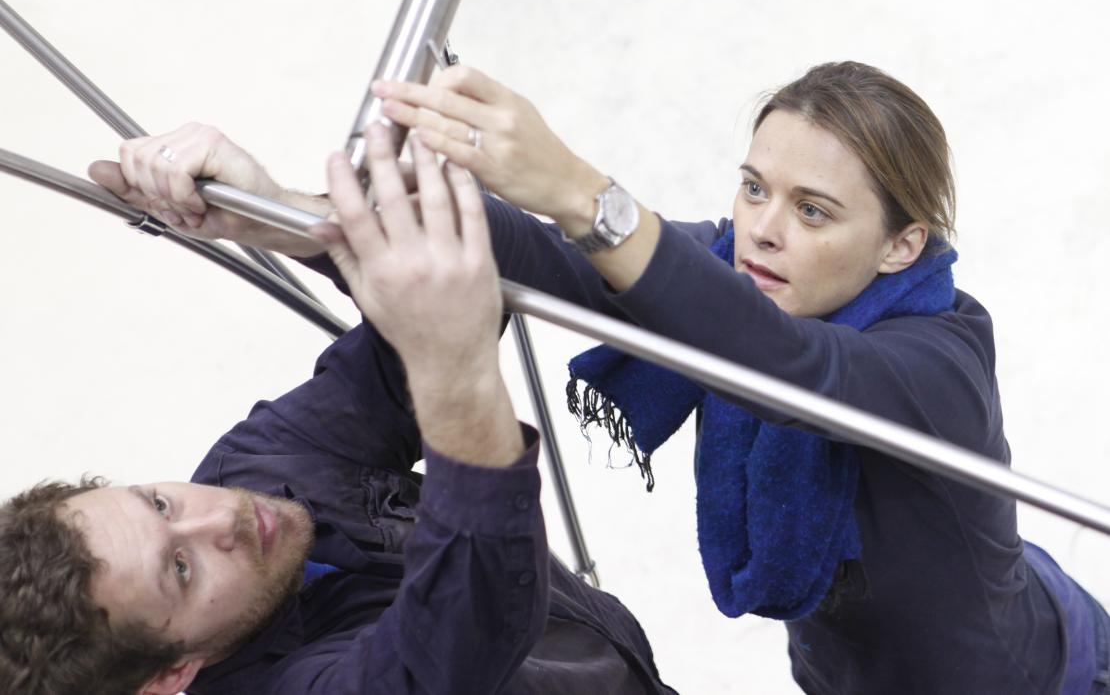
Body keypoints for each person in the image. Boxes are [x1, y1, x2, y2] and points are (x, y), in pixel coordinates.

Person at [355, 61, 1107, 693]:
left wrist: (580, 189)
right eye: (754, 188)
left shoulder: (937, 361)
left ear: (900, 246)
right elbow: (550, 259)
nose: (763, 230)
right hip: (844, 669)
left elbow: (785, 365)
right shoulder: (729, 275)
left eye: (812, 211)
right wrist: (310, 213)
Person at [0, 123, 676, 694]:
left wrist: (279, 217)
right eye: (182, 569)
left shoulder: (252, 468)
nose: (221, 516)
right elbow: (471, 615)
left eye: (157, 504)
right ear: (171, 675)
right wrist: (455, 373)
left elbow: (464, 276)